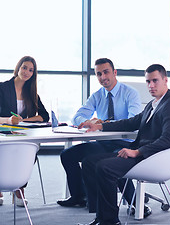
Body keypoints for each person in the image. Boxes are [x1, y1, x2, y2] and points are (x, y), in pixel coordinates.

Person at [79, 64, 170, 225]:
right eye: (148, 82)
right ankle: (101, 216)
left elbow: (168, 139)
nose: (151, 86)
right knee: (89, 162)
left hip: (152, 158)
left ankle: (109, 221)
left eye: (155, 81)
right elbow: (132, 122)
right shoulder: (154, 103)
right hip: (142, 154)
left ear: (165, 80)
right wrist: (100, 126)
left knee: (104, 167)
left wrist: (138, 152)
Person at [57, 58, 143, 211]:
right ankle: (79, 196)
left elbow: (132, 122)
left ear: (114, 72)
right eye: (98, 74)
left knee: (118, 158)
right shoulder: (97, 95)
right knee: (67, 155)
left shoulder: (130, 94)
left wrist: (102, 125)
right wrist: (88, 121)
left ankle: (136, 203)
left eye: (106, 72)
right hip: (104, 143)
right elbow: (77, 116)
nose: (103, 77)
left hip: (126, 143)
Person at [0, 55, 49, 206]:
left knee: (30, 154)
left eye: (30, 70)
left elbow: (45, 116)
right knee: (3, 154)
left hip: (22, 133)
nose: (26, 72)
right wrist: (8, 121)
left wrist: (25, 120)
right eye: (24, 67)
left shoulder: (32, 93)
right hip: (3, 133)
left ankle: (19, 189)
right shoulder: (2, 87)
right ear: (18, 68)